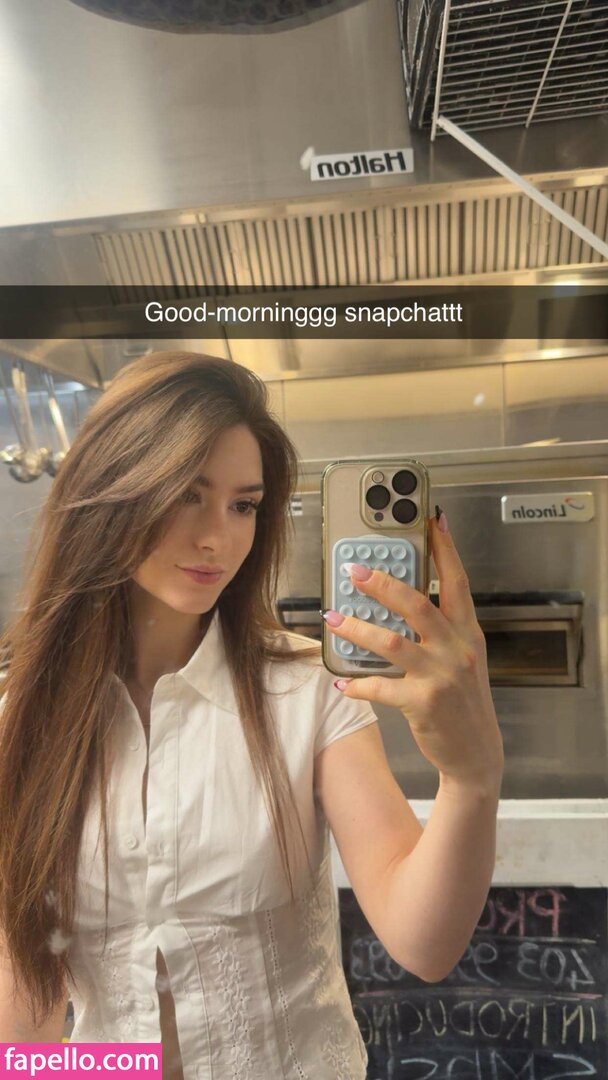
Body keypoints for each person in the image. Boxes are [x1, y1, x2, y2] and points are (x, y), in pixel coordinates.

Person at [0, 351, 504, 1079]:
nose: (218, 537)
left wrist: (472, 777)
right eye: (187, 495)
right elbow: (26, 1010)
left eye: (243, 505)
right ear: (112, 492)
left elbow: (422, 943)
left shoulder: (305, 689)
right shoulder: (22, 717)